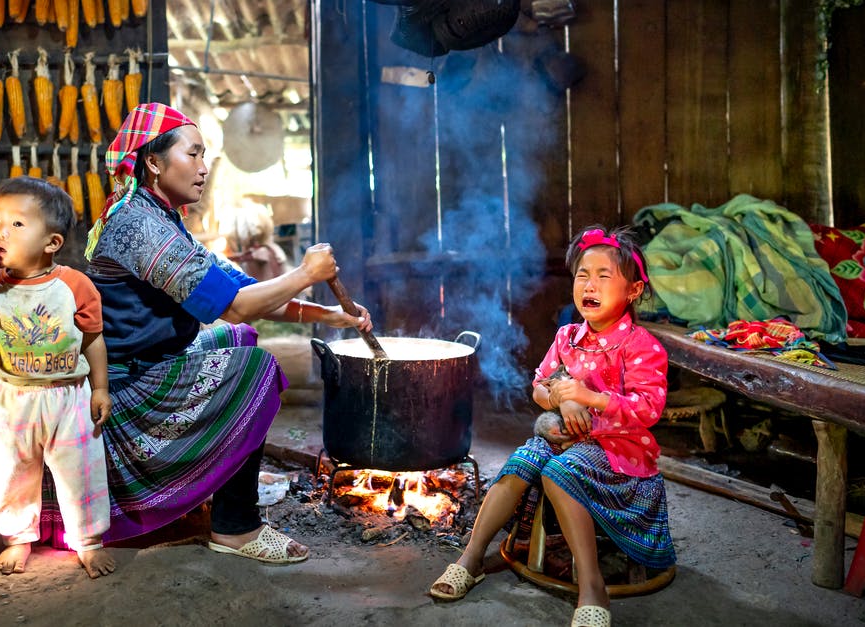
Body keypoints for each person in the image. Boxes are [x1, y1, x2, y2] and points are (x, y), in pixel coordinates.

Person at [43, 102, 371, 564]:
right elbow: (236, 307)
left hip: (152, 362)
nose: (203, 168)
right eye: (193, 155)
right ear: (153, 163)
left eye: (204, 156)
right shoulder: (137, 225)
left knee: (241, 344)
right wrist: (306, 272)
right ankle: (236, 527)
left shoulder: (160, 217)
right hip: (126, 385)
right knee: (255, 370)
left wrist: (328, 313)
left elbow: (238, 286)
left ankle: (210, 490)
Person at [429, 225, 676, 627]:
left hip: (620, 450)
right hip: (566, 436)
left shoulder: (641, 346)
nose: (589, 284)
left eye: (603, 276)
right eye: (582, 274)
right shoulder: (567, 337)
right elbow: (540, 387)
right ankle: (471, 558)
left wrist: (589, 397)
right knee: (523, 461)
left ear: (632, 291)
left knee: (561, 472)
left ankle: (592, 587)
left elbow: (648, 409)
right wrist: (562, 396)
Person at [0, 177, 116, 579]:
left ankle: (88, 540)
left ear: (52, 243)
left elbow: (93, 341)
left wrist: (100, 388)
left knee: (81, 470)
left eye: (17, 224)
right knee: (13, 471)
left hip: (69, 396)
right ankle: (18, 538)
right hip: (13, 396)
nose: (0, 232)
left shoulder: (75, 286)